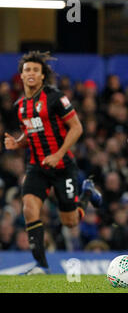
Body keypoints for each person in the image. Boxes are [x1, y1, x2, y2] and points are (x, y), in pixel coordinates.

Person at [3, 51, 102, 275]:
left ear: (42, 76)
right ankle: (41, 265)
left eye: (35, 70)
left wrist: (58, 154)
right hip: (37, 167)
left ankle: (86, 193)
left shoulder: (56, 97)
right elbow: (31, 133)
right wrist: (17, 143)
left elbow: (77, 128)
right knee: (29, 208)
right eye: (27, 69)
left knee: (70, 222)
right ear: (21, 74)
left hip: (62, 166)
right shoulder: (20, 105)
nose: (30, 73)